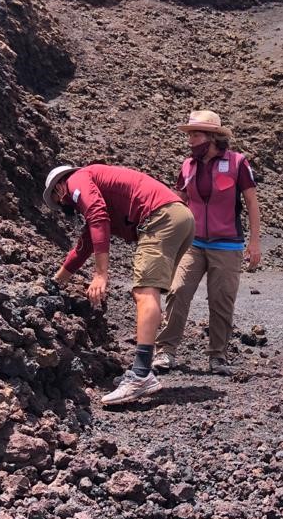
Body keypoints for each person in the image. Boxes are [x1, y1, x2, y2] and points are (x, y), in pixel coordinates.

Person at [43, 163, 194, 405]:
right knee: (146, 292)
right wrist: (56, 281)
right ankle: (144, 371)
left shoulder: (77, 180)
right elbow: (86, 243)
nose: (63, 206)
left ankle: (142, 375)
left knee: (145, 292)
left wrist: (101, 274)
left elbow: (97, 215)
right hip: (180, 217)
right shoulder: (96, 185)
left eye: (57, 200)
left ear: (59, 188)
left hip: (160, 217)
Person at [154, 110, 262, 374]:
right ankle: (165, 352)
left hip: (227, 246)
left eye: (196, 134)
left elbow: (251, 203)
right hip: (193, 243)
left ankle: (218, 356)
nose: (190, 140)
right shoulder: (187, 165)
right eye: (189, 135)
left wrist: (255, 242)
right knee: (178, 291)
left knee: (221, 300)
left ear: (213, 137)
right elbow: (176, 202)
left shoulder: (237, 163)